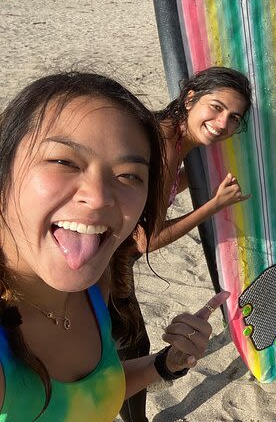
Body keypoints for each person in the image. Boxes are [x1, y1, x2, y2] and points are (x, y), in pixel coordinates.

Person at [0, 72, 229, 420]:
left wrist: (165, 364)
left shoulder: (94, 286)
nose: (99, 198)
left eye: (128, 176)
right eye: (64, 162)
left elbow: (94, 390)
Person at [111, 66, 252, 422]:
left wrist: (199, 178)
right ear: (190, 98)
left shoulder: (174, 137)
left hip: (112, 259)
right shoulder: (166, 144)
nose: (223, 123)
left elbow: (160, 191)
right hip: (110, 262)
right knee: (133, 347)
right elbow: (147, 239)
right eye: (216, 107)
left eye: (234, 117)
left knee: (121, 345)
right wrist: (214, 205)